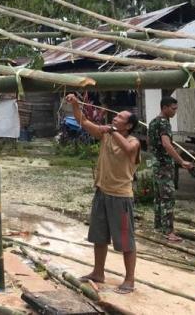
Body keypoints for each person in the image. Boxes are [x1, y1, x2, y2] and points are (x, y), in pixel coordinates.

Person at [65, 94, 140, 294]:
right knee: (99, 236)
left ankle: (129, 279)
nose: (114, 119)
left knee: (125, 241)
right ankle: (98, 272)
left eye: (120, 118)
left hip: (121, 197)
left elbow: (126, 148)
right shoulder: (106, 133)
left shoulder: (134, 141)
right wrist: (74, 104)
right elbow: (84, 121)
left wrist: (112, 131)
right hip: (102, 192)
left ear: (128, 126)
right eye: (115, 117)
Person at [147, 96, 193, 242]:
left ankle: (159, 226)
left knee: (159, 197)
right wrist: (181, 161)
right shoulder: (164, 123)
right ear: (165, 107)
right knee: (167, 198)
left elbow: (151, 143)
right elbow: (167, 144)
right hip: (164, 166)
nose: (175, 112)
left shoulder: (153, 122)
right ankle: (169, 231)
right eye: (173, 109)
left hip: (156, 164)